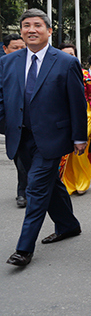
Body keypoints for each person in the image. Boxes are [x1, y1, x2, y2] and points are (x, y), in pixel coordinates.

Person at [3, 9, 87, 267]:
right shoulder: (8, 62)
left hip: (52, 137)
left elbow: (77, 102)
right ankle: (68, 224)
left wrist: (79, 137)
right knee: (50, 184)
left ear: (49, 31)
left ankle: (24, 249)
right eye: (26, 25)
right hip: (20, 137)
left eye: (37, 25)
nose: (31, 30)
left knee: (35, 189)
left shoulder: (65, 62)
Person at [57, 43, 91, 196]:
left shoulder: (85, 75)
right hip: (63, 115)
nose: (69, 57)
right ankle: (68, 181)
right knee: (66, 152)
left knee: (80, 148)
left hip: (85, 115)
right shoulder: (54, 73)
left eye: (72, 54)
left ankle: (82, 180)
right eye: (65, 54)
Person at [3, 33, 28, 208]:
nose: (20, 51)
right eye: (15, 48)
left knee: (28, 160)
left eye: (22, 47)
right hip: (11, 122)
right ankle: (24, 191)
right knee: (20, 157)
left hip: (32, 123)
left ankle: (25, 191)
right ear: (5, 49)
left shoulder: (31, 65)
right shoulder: (3, 66)